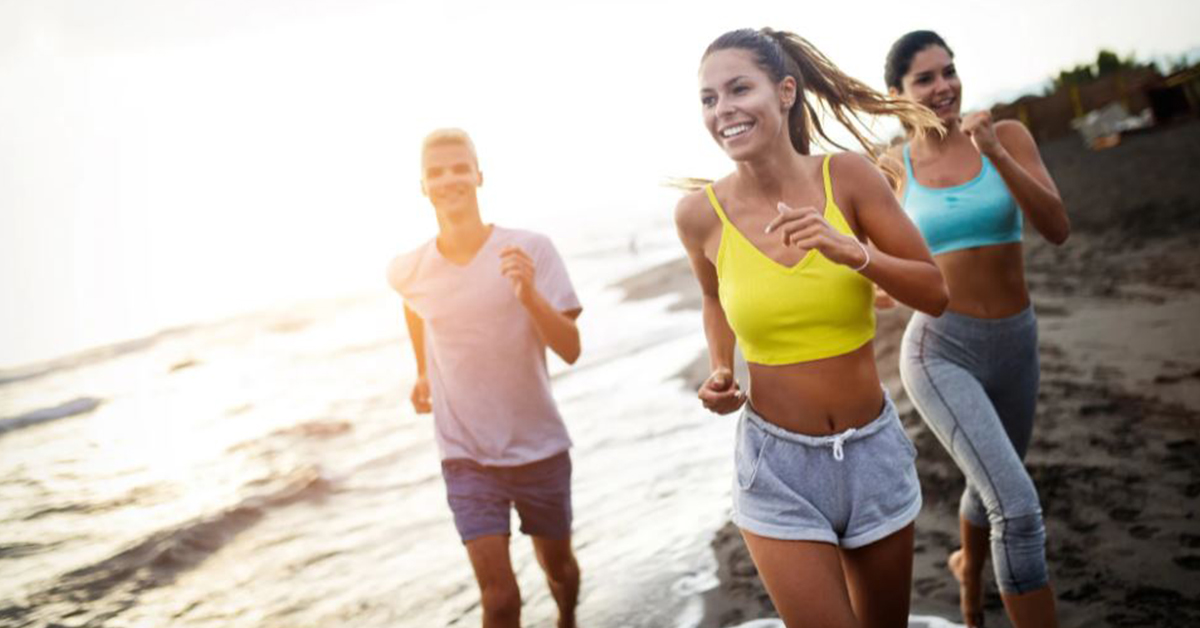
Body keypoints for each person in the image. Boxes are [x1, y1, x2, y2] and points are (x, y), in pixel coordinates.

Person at [673, 28, 949, 628]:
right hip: (776, 467)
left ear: (786, 91)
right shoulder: (698, 216)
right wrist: (722, 368)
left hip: (873, 452)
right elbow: (713, 299)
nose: (723, 110)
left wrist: (856, 254)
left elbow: (935, 290)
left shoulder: (847, 179)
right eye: (708, 99)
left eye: (738, 89)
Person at [882, 30, 1070, 628]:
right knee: (1016, 507)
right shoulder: (893, 165)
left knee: (992, 477)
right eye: (925, 79)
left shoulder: (1005, 135)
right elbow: (882, 271)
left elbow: (1057, 226)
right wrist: (880, 282)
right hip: (941, 350)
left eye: (948, 72)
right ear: (898, 95)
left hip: (1018, 341)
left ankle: (968, 578)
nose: (943, 87)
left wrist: (997, 154)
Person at [387, 128, 583, 628]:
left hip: (539, 448)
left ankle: (567, 618)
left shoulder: (530, 248)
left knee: (558, 569)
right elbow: (416, 310)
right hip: (465, 456)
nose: (449, 178)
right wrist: (421, 371)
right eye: (437, 171)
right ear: (422, 186)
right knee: (499, 599)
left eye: (459, 167)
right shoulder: (407, 269)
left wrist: (528, 295)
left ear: (478, 175)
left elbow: (570, 349)